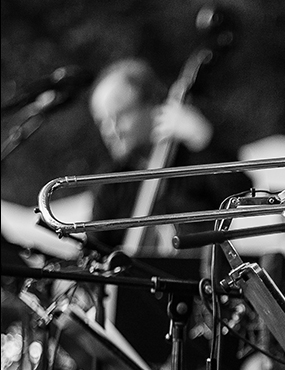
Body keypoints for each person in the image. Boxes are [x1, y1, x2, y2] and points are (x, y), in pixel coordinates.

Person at [87, 57, 251, 257]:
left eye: (119, 115)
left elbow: (242, 199)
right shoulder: (111, 184)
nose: (110, 130)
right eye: (101, 121)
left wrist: (203, 139)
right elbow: (93, 256)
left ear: (152, 105)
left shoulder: (196, 157)